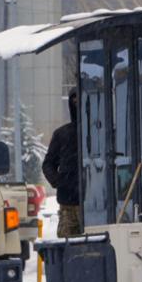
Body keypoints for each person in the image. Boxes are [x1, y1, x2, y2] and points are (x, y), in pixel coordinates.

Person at [43, 90, 82, 237]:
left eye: (79, 100)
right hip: (69, 203)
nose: (77, 104)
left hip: (95, 204)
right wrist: (59, 181)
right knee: (68, 243)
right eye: (74, 100)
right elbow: (48, 164)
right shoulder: (62, 134)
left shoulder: (98, 131)